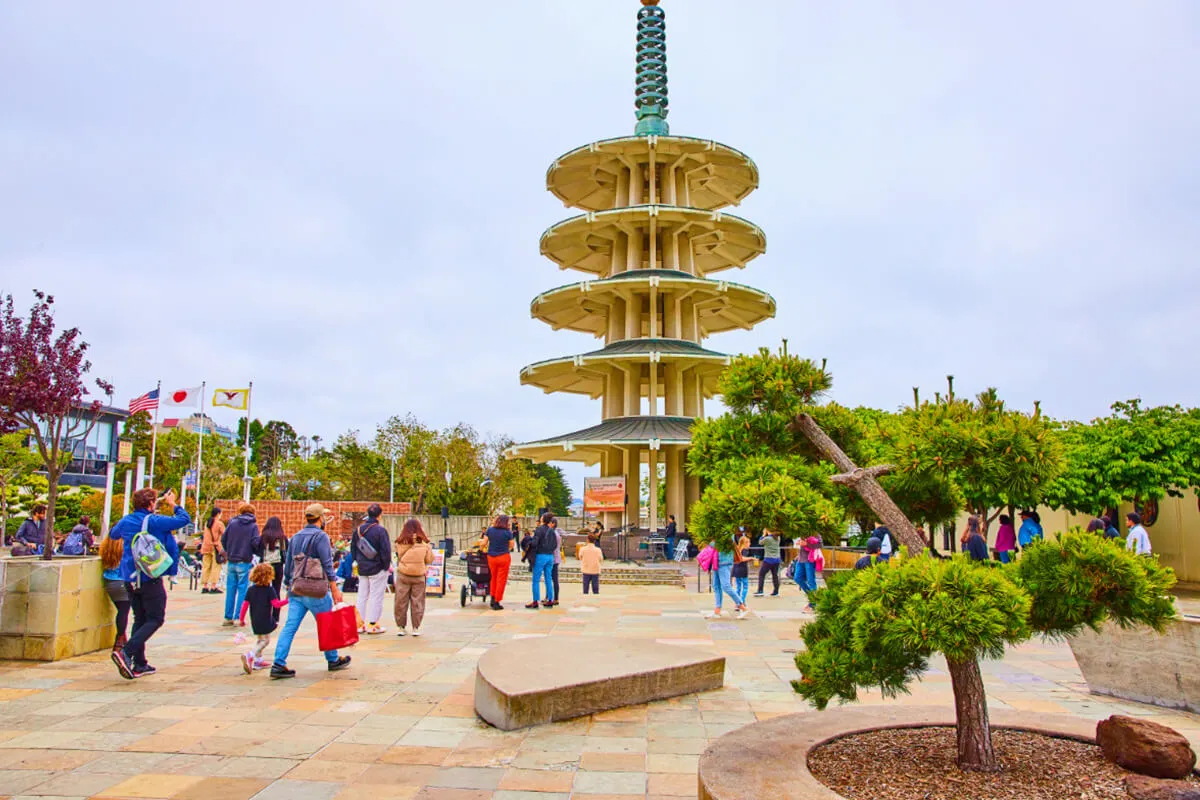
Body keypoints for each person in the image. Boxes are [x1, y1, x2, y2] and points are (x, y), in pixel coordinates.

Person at [110, 488, 190, 679]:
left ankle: (139, 663)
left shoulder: (127, 520)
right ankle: (126, 652)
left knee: (140, 618)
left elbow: (113, 535)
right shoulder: (154, 521)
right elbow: (183, 519)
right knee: (155, 618)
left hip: (129, 577)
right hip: (148, 576)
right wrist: (173, 504)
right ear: (150, 504)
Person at [271, 504, 350, 678]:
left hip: (297, 588)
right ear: (320, 518)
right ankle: (333, 658)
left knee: (289, 627)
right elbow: (327, 563)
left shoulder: (296, 536)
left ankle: (278, 662)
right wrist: (334, 587)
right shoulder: (321, 536)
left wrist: (287, 584)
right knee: (326, 624)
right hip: (316, 589)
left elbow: (289, 564)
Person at [239, 562, 287, 673]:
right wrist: (288, 601)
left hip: (255, 619)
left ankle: (258, 661)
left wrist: (241, 619)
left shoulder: (251, 590)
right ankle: (250, 654)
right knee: (265, 641)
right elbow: (276, 604)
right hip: (265, 619)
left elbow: (244, 605)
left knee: (260, 639)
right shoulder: (269, 590)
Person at [352, 504, 392, 635]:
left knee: (362, 596)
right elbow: (386, 551)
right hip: (377, 568)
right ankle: (373, 624)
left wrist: (358, 562)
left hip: (362, 567)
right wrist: (386, 567)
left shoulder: (358, 530)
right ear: (380, 515)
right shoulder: (380, 531)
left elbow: (353, 549)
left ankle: (359, 624)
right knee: (376, 596)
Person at [222, 503, 262, 626]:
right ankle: (238, 616)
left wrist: (229, 550)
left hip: (232, 559)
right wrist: (256, 551)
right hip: (244, 560)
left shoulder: (232, 523)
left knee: (230, 588)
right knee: (243, 589)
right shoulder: (253, 526)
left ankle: (228, 617)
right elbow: (255, 542)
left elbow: (224, 539)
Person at [394, 518, 434, 636]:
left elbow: (399, 556)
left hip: (403, 574)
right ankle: (416, 627)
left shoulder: (400, 542)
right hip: (419, 575)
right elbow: (429, 559)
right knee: (418, 601)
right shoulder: (424, 544)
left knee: (400, 601)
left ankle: (401, 627)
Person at [100, 533, 130, 652]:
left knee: (121, 610)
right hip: (122, 581)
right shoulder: (125, 547)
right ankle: (120, 639)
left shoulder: (106, 546)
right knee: (123, 612)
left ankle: (123, 638)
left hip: (109, 581)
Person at [482, 514, 515, 610]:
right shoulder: (508, 532)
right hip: (503, 557)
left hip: (491, 557)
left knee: (493, 578)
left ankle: (492, 597)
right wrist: (505, 547)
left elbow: (484, 543)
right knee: (501, 580)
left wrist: (481, 548)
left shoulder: (490, 530)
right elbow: (512, 545)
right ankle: (497, 601)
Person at [527, 513, 558, 609]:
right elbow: (555, 544)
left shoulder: (539, 529)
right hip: (550, 556)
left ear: (543, 519)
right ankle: (550, 599)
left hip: (540, 555)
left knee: (536, 579)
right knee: (548, 578)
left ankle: (535, 601)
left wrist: (529, 542)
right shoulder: (552, 531)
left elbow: (535, 543)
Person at [259, 516, 288, 621]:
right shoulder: (282, 538)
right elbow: (286, 551)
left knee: (263, 590)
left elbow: (258, 550)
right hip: (278, 566)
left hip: (265, 566)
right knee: (276, 590)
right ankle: (276, 616)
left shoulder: (263, 537)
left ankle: (264, 614)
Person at [200, 508, 225, 594]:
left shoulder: (207, 523)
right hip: (215, 548)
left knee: (206, 566)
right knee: (216, 567)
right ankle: (213, 586)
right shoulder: (219, 523)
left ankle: (205, 586)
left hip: (206, 547)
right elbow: (224, 535)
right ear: (218, 514)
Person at [754, 528, 782, 597]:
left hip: (768, 559)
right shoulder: (778, 538)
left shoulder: (767, 539)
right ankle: (776, 591)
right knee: (775, 575)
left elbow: (760, 542)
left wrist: (763, 534)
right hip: (777, 559)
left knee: (761, 574)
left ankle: (760, 591)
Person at [804, 536, 824, 611]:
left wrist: (806, 544)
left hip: (810, 560)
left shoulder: (815, 533)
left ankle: (813, 603)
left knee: (811, 581)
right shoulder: (801, 532)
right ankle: (812, 597)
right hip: (801, 559)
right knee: (797, 578)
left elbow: (820, 545)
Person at [731, 530, 751, 608]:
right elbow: (742, 559)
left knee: (738, 587)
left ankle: (737, 602)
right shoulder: (745, 551)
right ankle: (741, 602)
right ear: (745, 543)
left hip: (736, 570)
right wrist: (751, 558)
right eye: (748, 542)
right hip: (743, 569)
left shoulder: (737, 549)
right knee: (745, 586)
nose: (750, 544)